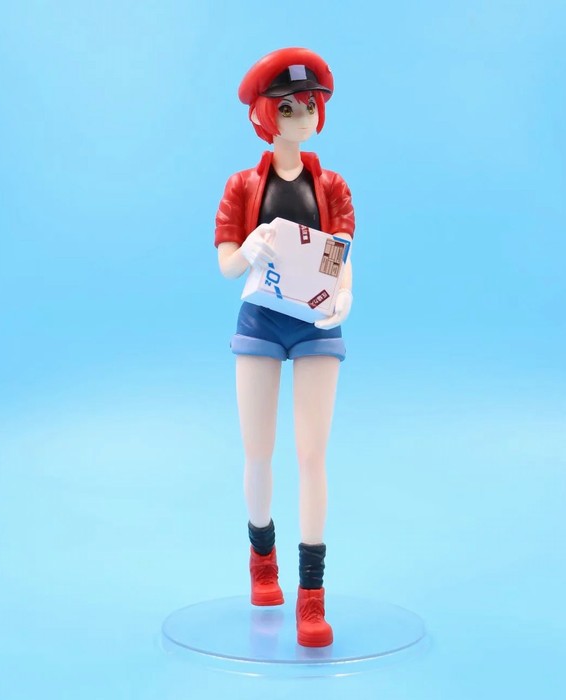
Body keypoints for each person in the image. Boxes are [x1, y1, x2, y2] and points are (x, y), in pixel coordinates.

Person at [214, 47, 355, 648]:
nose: (302, 117)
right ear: (265, 116)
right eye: (288, 108)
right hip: (261, 319)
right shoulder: (242, 185)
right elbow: (226, 263)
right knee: (258, 451)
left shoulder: (333, 185)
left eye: (309, 106)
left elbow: (340, 255)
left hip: (315, 319)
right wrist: (249, 249)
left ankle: (312, 595)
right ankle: (262, 557)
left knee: (312, 454)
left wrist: (343, 294)